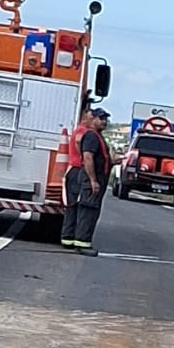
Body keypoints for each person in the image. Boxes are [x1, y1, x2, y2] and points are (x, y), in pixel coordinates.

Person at [73, 107, 111, 257]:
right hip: (91, 179)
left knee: (92, 211)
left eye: (105, 119)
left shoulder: (98, 136)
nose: (104, 122)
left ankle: (84, 241)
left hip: (98, 178)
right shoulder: (91, 136)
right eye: (101, 118)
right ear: (93, 119)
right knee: (88, 210)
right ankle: (82, 242)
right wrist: (93, 180)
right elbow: (88, 158)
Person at [61, 106, 93, 249]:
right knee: (75, 205)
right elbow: (79, 141)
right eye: (91, 117)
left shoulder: (81, 130)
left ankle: (68, 237)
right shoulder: (82, 131)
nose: (93, 120)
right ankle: (69, 237)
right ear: (84, 117)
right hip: (77, 169)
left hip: (75, 170)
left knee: (73, 204)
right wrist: (84, 155)